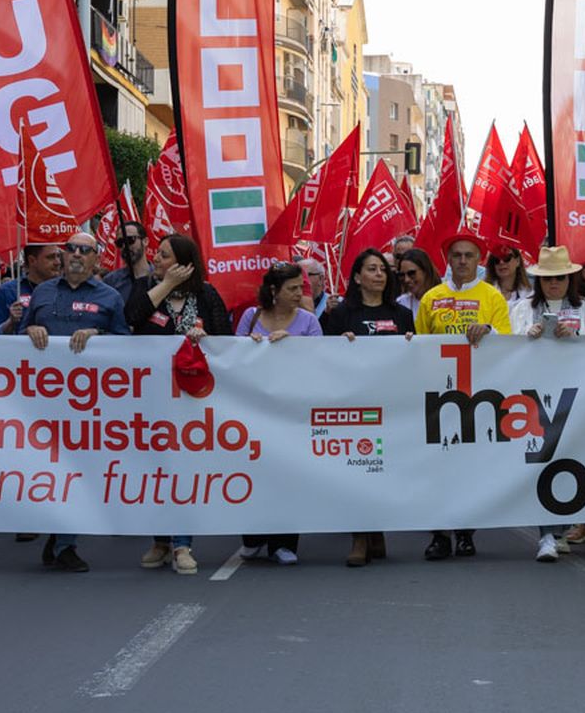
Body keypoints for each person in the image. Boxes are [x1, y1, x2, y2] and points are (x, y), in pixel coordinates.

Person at [23, 231, 129, 573]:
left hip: (89, 402)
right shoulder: (41, 292)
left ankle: (66, 541)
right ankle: (59, 530)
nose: (77, 255)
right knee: (49, 469)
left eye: (86, 250)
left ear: (97, 259)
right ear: (63, 256)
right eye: (71, 249)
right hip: (43, 397)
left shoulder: (109, 297)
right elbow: (14, 335)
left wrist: (100, 336)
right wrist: (28, 331)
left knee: (78, 470)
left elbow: (128, 344)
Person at [126, 233, 230, 576]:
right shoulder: (146, 289)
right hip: (153, 398)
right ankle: (160, 540)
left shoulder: (206, 295)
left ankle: (182, 544)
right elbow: (133, 317)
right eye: (157, 255)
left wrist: (207, 340)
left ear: (185, 262)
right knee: (156, 468)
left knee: (182, 468)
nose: (157, 259)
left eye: (166, 256)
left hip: (193, 400)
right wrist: (164, 285)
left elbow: (227, 340)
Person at [416, 231, 512, 561]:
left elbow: (509, 342)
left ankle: (466, 532)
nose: (462, 261)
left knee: (469, 465)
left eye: (469, 255)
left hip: (477, 393)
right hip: (438, 393)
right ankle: (439, 534)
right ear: (448, 259)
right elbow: (418, 345)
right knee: (438, 466)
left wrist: (489, 331)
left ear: (478, 260)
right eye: (456, 255)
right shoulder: (431, 297)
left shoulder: (492, 297)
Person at [322, 247, 414, 566]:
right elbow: (325, 359)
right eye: (372, 269)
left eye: (383, 270)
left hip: (391, 404)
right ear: (357, 277)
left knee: (383, 469)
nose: (379, 274)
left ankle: (377, 530)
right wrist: (340, 345)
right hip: (356, 404)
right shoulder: (342, 314)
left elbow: (412, 359)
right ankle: (359, 536)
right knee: (358, 469)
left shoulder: (402, 314)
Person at [513, 247, 585, 562]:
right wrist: (528, 337)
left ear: (570, 278)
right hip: (534, 397)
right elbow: (505, 349)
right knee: (542, 461)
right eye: (548, 278)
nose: (554, 284)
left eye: (561, 277)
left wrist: (575, 336)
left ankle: (562, 528)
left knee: (571, 461)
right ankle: (546, 535)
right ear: (539, 280)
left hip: (577, 395)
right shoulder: (522, 309)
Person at [236, 262, 322, 563]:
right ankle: (253, 535)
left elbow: (322, 362)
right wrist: (250, 346)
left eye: (301, 287)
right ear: (274, 291)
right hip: (255, 410)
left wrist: (293, 346)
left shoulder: (308, 322)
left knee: (288, 474)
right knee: (255, 472)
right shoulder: (251, 317)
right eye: (293, 288)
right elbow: (235, 358)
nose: (300, 293)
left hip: (292, 411)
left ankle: (284, 543)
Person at [0, 243, 63, 335]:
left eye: (58, 256)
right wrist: (10, 322)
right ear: (32, 260)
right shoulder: (9, 290)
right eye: (50, 257)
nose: (58, 262)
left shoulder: (64, 289)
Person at [104, 220, 152, 308]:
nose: (125, 246)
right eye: (120, 243)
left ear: (145, 241)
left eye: (130, 240)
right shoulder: (111, 281)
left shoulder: (160, 277)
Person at [486, 246, 533, 329]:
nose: (501, 262)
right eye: (496, 259)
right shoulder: (485, 292)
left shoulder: (529, 294)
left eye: (506, 258)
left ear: (518, 261)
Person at [395, 248, 438, 313]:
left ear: (425, 271)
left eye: (411, 273)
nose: (406, 280)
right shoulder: (401, 303)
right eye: (402, 275)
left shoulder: (444, 300)